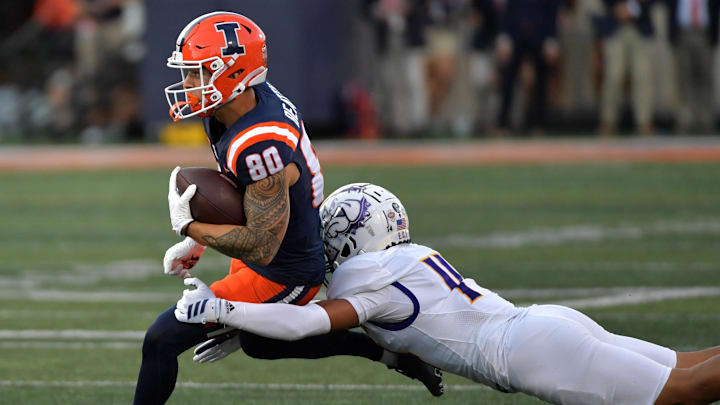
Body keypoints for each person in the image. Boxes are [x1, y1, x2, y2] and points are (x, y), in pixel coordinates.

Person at [133, 12, 442, 404]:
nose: (188, 84)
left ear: (233, 74)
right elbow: (237, 188)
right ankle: (391, 354)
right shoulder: (236, 105)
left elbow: (261, 244)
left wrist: (189, 227)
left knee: (162, 338)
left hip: (285, 269)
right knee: (263, 343)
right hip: (271, 246)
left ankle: (388, 352)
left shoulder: (261, 140)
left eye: (198, 73)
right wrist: (202, 244)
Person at [176, 182, 720, 405]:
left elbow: (303, 325)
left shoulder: (364, 279)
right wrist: (246, 323)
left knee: (684, 390)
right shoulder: (405, 260)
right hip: (544, 325)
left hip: (532, 350)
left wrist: (222, 306)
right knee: (690, 366)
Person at [599, 0, 656, 136]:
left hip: (641, 28)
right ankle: (608, 121)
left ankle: (644, 122)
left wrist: (633, 6)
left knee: (643, 77)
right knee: (613, 76)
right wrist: (617, 7)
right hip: (615, 26)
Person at [666, 0, 720, 134]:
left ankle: (707, 121)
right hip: (682, 33)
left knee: (706, 80)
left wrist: (713, 36)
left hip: (704, 33)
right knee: (684, 80)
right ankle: (685, 120)